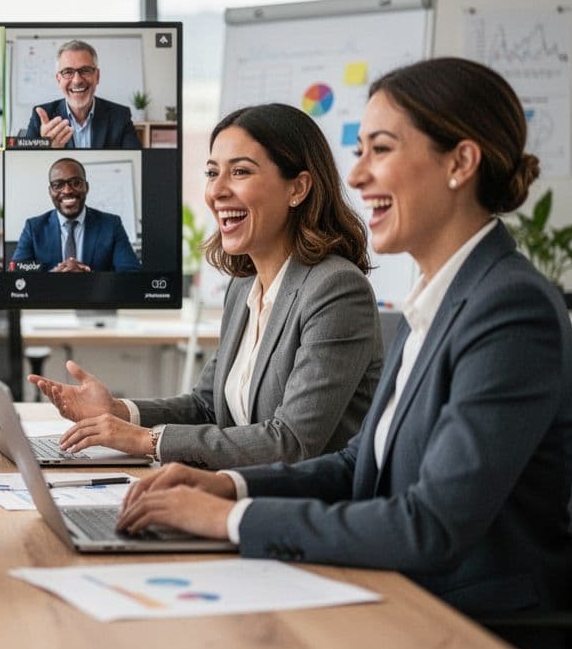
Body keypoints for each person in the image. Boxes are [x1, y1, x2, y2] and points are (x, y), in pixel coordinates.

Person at [115, 58, 572, 633]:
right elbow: (360, 464)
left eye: (379, 150)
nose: (356, 177)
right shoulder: (437, 298)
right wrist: (226, 485)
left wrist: (232, 520)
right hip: (390, 589)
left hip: (467, 623)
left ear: (460, 162)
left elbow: (428, 527)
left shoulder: (510, 309)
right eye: (358, 152)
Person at [32, 104, 381, 470]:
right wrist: (118, 412)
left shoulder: (337, 290)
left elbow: (291, 442)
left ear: (298, 188)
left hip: (306, 510)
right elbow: (207, 406)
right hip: (236, 492)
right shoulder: (244, 285)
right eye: (212, 173)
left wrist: (144, 441)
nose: (217, 191)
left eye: (240, 171)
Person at [9, 157, 139, 272]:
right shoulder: (33, 227)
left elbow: (131, 272)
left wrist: (88, 276)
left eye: (76, 183)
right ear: (50, 191)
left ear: (86, 187)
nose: (67, 190)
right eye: (58, 185)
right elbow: (15, 271)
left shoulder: (111, 224)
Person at [23, 40, 142, 149]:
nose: (77, 80)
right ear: (58, 79)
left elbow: (138, 160)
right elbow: (26, 164)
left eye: (85, 70)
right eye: (68, 72)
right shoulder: (42, 117)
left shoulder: (120, 116)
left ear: (97, 76)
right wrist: (46, 148)